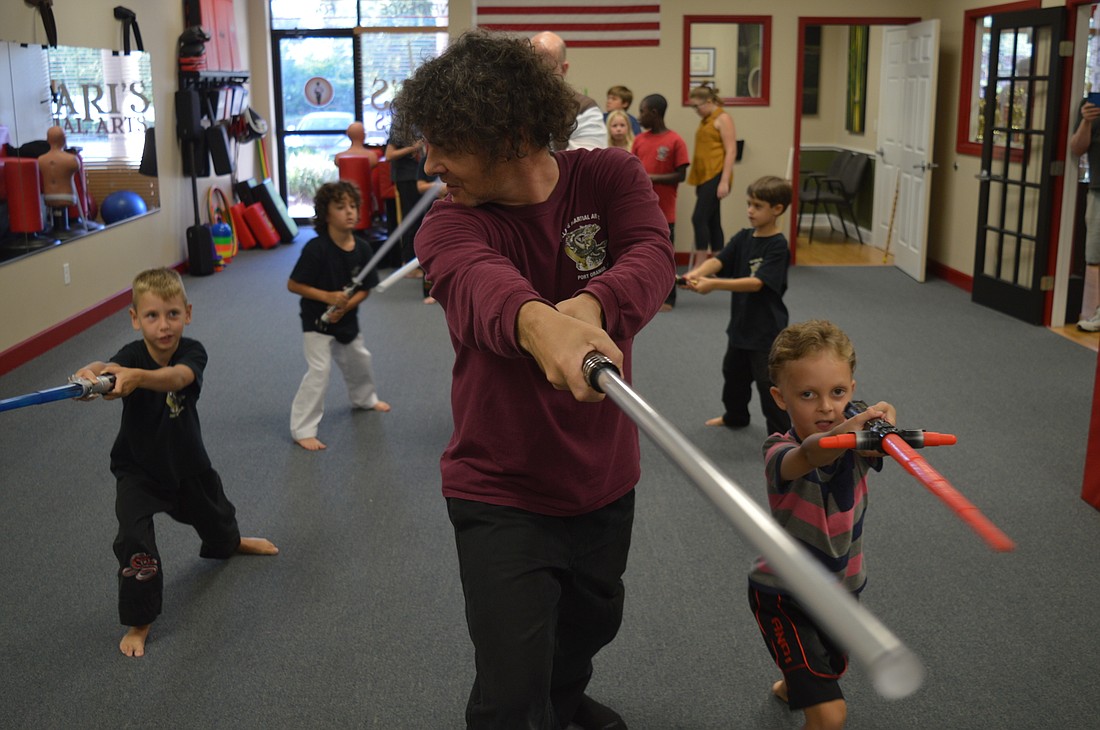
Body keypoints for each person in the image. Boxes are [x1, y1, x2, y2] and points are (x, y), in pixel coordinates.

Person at [391, 29, 674, 729]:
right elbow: (488, 294)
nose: (430, 165)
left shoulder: (610, 178)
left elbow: (651, 257)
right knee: (511, 689)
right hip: (501, 487)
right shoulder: (447, 227)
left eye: (444, 144)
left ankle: (567, 699)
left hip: (604, 474)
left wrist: (590, 305)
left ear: (512, 135)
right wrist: (545, 326)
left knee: (589, 627)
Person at [71, 268, 278, 658]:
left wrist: (137, 378)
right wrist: (89, 375)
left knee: (217, 517)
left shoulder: (192, 352)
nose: (163, 326)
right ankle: (141, 619)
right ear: (135, 319)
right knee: (133, 540)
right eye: (152, 316)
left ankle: (230, 543)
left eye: (173, 314)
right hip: (138, 470)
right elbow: (107, 367)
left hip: (187, 464)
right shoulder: (131, 356)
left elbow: (177, 378)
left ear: (188, 312)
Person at [747, 319, 896, 730]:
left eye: (838, 392)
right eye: (808, 395)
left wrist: (883, 418)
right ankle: (803, 687)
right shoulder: (779, 450)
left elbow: (877, 419)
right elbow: (814, 453)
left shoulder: (859, 433)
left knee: (826, 670)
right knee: (831, 715)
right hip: (785, 595)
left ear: (851, 387)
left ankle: (793, 685)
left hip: (843, 589)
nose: (827, 407)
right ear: (780, 397)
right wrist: (855, 429)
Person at [680, 175, 792, 435]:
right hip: (741, 326)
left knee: (768, 384)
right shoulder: (743, 237)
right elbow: (719, 261)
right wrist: (696, 273)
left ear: (777, 209)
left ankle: (781, 435)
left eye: (757, 206)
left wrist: (714, 285)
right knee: (733, 374)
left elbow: (756, 284)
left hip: (766, 331)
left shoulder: (778, 246)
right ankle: (735, 416)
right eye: (749, 204)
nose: (750, 211)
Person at [288, 180, 391, 452]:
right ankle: (303, 429)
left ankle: (364, 399)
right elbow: (294, 285)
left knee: (360, 361)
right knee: (319, 372)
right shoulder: (316, 249)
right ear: (325, 214)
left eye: (353, 206)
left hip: (347, 321)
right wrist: (329, 298)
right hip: (316, 322)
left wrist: (346, 306)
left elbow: (366, 288)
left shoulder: (363, 248)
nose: (349, 212)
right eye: (340, 206)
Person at [632, 93, 690, 311]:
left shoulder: (675, 141)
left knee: (666, 257)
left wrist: (652, 178)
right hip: (641, 210)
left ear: (654, 113)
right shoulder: (639, 140)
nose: (639, 116)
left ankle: (669, 298)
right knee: (639, 255)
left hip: (665, 212)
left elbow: (681, 175)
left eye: (642, 111)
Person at [686, 83, 738, 271]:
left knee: (698, 218)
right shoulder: (706, 119)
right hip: (704, 175)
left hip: (716, 174)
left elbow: (731, 150)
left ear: (708, 101)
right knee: (712, 220)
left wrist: (724, 181)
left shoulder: (723, 118)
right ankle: (718, 264)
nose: (695, 110)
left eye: (697, 106)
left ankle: (701, 264)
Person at [531, 30, 607, 150]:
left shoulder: (584, 108)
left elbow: (586, 163)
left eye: (547, 69)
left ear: (564, 69)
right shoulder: (509, 106)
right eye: (532, 67)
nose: (539, 76)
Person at [1069, 96, 1100, 332]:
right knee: (1095, 255)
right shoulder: (1089, 107)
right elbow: (1077, 148)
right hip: (1098, 191)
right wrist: (1086, 122)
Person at [384, 134, 425, 272]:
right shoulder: (400, 125)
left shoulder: (419, 124)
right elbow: (389, 155)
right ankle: (408, 264)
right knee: (410, 220)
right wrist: (413, 148)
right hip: (406, 178)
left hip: (420, 175)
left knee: (420, 221)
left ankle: (418, 262)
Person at [38, 125, 80, 233]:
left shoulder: (40, 160)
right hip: (67, 196)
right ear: (64, 139)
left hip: (48, 197)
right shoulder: (72, 160)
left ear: (47, 140)